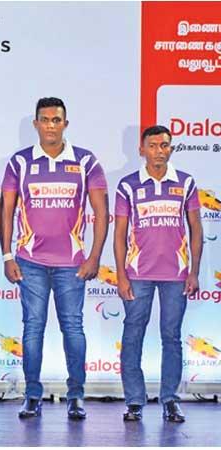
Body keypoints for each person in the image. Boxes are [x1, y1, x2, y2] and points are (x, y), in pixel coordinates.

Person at [0, 97, 109, 420]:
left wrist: (94, 257)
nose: (50, 125)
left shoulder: (86, 162)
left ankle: (76, 395)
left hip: (72, 264)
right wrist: (6, 254)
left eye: (56, 120)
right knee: (32, 328)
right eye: (45, 119)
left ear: (65, 124)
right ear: (35, 124)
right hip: (30, 261)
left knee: (73, 329)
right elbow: (7, 211)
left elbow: (101, 213)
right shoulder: (20, 163)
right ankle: (32, 395)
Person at [113, 125, 202, 423]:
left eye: (164, 145)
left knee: (171, 338)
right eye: (153, 145)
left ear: (171, 148)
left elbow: (196, 230)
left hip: (177, 275)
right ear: (142, 149)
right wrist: (122, 276)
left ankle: (170, 400)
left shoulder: (186, 183)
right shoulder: (128, 185)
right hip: (137, 274)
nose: (159, 151)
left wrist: (194, 272)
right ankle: (134, 401)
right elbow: (119, 234)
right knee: (133, 334)